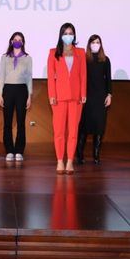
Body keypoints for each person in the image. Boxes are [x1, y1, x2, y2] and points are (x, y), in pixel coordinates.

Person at [47, 23, 87, 175]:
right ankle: (59, 161)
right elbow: (51, 77)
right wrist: (52, 95)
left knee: (73, 131)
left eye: (71, 33)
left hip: (76, 98)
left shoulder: (81, 52)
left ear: (74, 35)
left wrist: (83, 93)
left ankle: (70, 161)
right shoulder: (53, 52)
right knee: (58, 131)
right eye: (66, 33)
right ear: (61, 35)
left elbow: (83, 75)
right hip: (59, 97)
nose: (68, 35)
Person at [76, 35, 112, 165]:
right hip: (86, 97)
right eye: (93, 42)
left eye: (98, 42)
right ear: (89, 44)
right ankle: (79, 154)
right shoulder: (84, 59)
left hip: (100, 98)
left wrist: (109, 95)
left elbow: (108, 79)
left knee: (99, 127)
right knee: (84, 127)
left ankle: (96, 155)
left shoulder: (105, 60)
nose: (95, 44)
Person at [0, 32, 33, 162]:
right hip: (8, 89)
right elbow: (2, 76)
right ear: (11, 41)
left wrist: (29, 96)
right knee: (7, 122)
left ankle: (19, 150)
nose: (17, 41)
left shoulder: (28, 58)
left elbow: (29, 78)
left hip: (22, 90)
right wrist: (0, 94)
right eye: (15, 39)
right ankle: (9, 150)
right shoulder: (4, 57)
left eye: (20, 40)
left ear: (23, 42)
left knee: (21, 121)